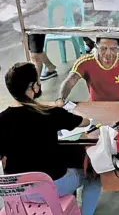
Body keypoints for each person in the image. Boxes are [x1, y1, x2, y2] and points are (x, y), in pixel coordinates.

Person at [0, 62, 101, 215]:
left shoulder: (1, 119)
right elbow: (85, 121)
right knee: (94, 175)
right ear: (34, 86)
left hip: (17, 192)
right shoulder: (50, 113)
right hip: (53, 186)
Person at [58, 37, 119, 102]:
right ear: (96, 46)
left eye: (113, 49)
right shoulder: (84, 62)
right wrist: (61, 100)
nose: (108, 53)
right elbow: (69, 82)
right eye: (103, 48)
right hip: (95, 106)